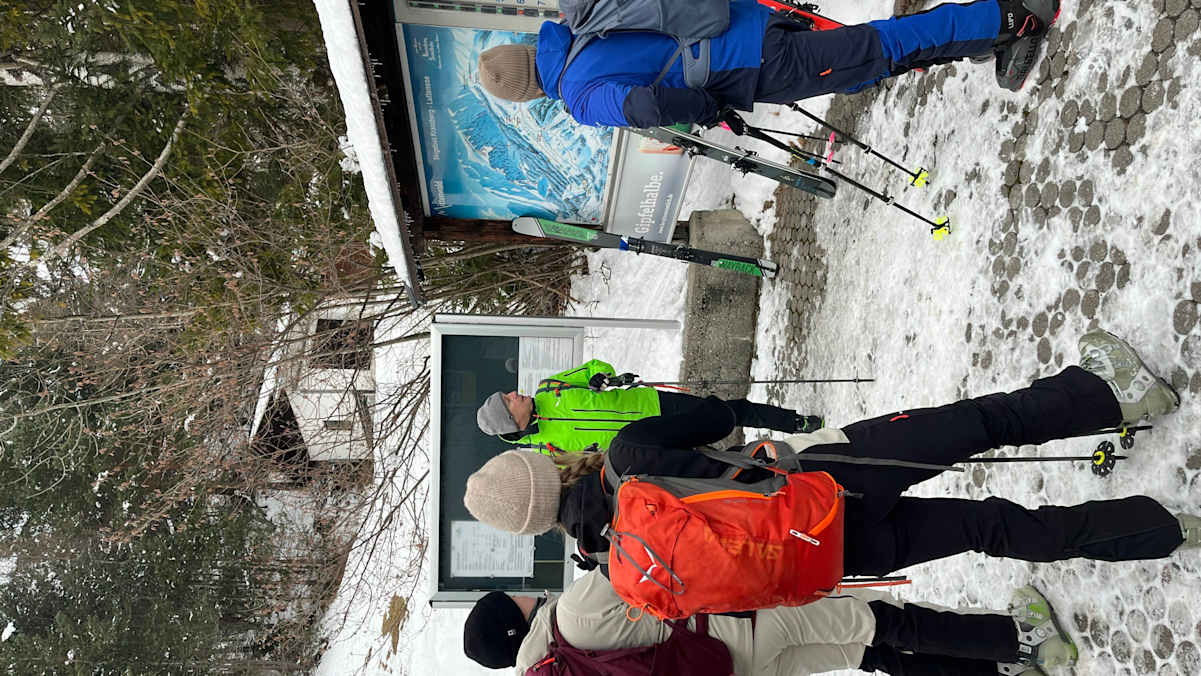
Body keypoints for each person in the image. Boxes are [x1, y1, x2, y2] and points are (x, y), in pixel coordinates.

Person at [465, 329, 1195, 582]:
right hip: (827, 482)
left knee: (985, 530)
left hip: (825, 556)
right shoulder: (625, 452)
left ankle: (1160, 530)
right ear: (544, 465)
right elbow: (716, 414)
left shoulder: (617, 564)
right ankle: (1114, 394)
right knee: (976, 423)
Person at [475, 0, 1061, 129]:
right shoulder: (579, 23)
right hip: (749, 22)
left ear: (528, 93)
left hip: (757, 64)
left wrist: (707, 111)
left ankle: (1010, 17)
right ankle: (987, 39)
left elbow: (646, 104)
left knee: (881, 47)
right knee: (876, 55)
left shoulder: (579, 96)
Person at [462, 571, 1076, 675]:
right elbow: (661, 572)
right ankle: (1022, 640)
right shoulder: (573, 611)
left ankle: (998, 669)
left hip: (733, 671)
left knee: (868, 656)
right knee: (877, 624)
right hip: (745, 626)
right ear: (512, 620)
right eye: (509, 602)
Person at [476, 357, 822, 454]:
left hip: (654, 403)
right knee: (715, 455)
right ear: (511, 422)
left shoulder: (551, 387)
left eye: (507, 394)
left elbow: (595, 367)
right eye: (508, 401)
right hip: (651, 442)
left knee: (728, 411)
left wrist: (601, 378)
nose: (513, 393)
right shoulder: (547, 450)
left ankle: (797, 424)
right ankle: (789, 458)